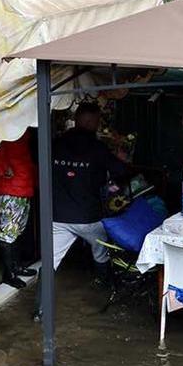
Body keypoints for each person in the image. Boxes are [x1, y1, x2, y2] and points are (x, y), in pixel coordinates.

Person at [50, 102, 127, 279]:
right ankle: (104, 285)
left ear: (77, 119)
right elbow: (120, 171)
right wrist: (120, 159)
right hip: (89, 218)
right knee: (101, 253)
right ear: (93, 122)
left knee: (50, 263)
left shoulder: (56, 144)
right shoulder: (97, 148)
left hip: (57, 216)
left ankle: (41, 304)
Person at [0, 127, 38, 289]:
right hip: (11, 187)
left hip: (21, 185)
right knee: (8, 232)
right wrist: (2, 169)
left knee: (17, 229)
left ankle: (16, 267)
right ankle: (9, 273)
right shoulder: (6, 128)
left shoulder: (17, 128)